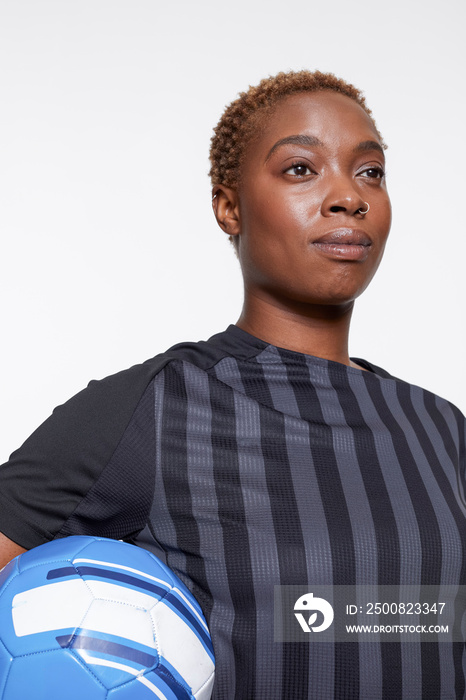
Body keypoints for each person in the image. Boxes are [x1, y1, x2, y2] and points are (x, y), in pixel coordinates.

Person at [0, 70, 464, 699]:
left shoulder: (440, 428)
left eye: (370, 172)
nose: (348, 197)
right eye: (301, 169)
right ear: (229, 206)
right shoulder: (158, 407)